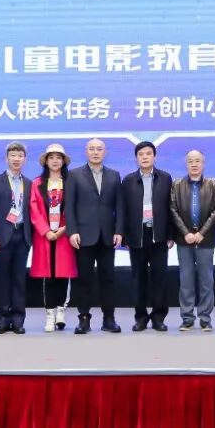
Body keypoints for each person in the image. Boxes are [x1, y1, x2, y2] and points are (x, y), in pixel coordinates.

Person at [65, 138, 125, 334]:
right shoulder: (74, 174)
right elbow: (69, 207)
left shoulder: (114, 175)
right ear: (86, 152)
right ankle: (84, 319)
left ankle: (109, 319)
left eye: (99, 149)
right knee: (84, 279)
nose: (95, 152)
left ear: (105, 152)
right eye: (92, 149)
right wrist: (72, 231)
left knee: (108, 279)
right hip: (83, 236)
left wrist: (119, 231)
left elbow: (119, 206)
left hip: (107, 236)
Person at [119, 141, 174, 332]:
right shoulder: (128, 181)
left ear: (154, 157)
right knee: (138, 279)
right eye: (141, 154)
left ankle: (159, 318)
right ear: (136, 158)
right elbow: (122, 210)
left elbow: (171, 208)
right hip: (137, 235)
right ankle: (140, 318)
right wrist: (125, 237)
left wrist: (170, 234)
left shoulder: (165, 178)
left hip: (159, 235)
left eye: (148, 153)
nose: (145, 157)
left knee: (160, 278)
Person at [0, 142, 34, 335]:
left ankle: (18, 319)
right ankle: (3, 319)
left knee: (19, 279)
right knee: (2, 279)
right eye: (13, 155)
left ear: (25, 159)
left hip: (22, 235)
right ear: (6, 158)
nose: (16, 159)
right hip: (1, 237)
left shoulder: (29, 183)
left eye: (20, 155)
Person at [170, 149, 215, 332]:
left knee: (206, 281)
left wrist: (202, 233)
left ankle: (205, 319)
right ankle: (187, 319)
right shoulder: (177, 184)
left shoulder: (213, 184)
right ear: (186, 164)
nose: (194, 164)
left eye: (197, 161)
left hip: (205, 240)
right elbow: (172, 210)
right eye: (190, 161)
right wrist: (186, 233)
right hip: (184, 240)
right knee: (186, 281)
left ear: (203, 163)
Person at [29, 144, 77, 332]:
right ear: (46, 161)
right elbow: (33, 209)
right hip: (45, 236)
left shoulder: (71, 181)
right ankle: (50, 314)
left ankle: (61, 311)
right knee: (48, 275)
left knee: (63, 274)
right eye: (51, 157)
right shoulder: (37, 183)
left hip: (65, 235)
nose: (55, 161)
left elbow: (76, 207)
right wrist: (46, 230)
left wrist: (65, 228)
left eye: (58, 157)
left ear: (63, 161)